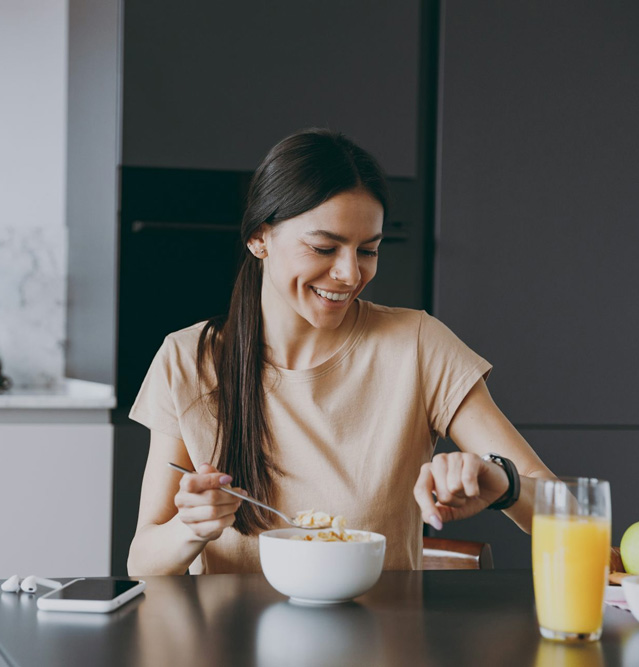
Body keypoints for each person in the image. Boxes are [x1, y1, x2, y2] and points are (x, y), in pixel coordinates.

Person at [126, 129, 555, 576]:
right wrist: (191, 529)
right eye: (324, 248)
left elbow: (562, 508)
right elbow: (142, 561)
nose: (350, 274)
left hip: (381, 641)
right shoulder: (187, 359)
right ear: (259, 238)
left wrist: (502, 484)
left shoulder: (418, 344)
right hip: (232, 643)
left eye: (368, 250)